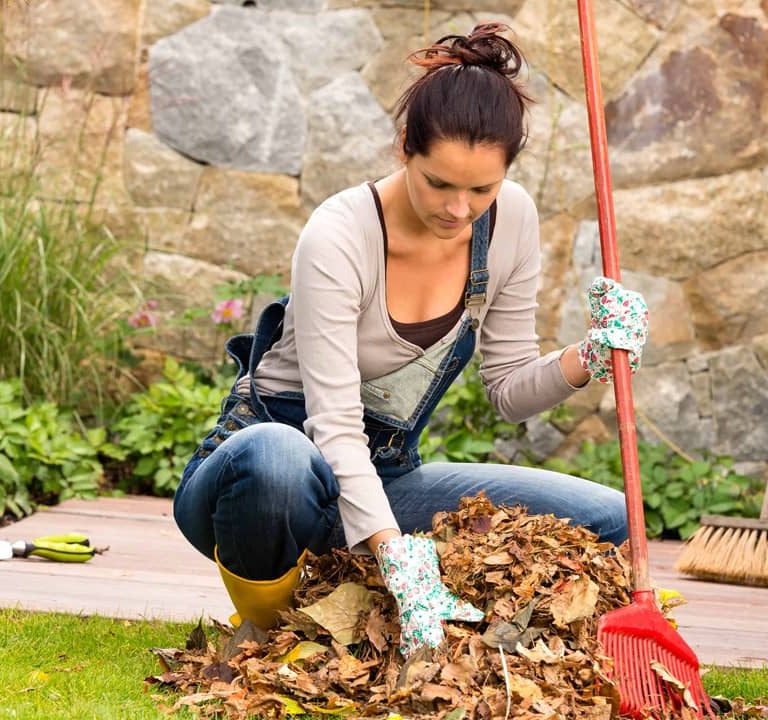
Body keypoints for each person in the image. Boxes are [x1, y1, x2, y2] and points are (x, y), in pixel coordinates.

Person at [173, 23, 649, 659]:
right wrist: (401, 558)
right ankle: (267, 632)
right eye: (439, 183)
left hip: (382, 478)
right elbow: (334, 429)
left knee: (609, 517)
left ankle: (428, 623)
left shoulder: (511, 221)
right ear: (405, 149)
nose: (459, 210)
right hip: (265, 482)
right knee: (276, 458)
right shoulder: (339, 236)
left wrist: (590, 358)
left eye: (481, 188)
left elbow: (508, 391)